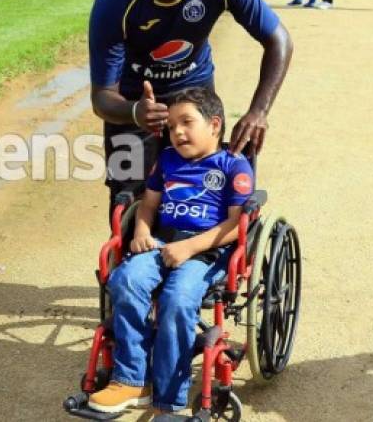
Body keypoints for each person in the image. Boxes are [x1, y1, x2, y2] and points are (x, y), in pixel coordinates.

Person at [87, 0, 292, 214]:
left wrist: (258, 112)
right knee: (128, 202)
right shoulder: (115, 2)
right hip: (134, 103)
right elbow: (102, 98)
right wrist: (134, 111)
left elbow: (279, 40)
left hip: (195, 97)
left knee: (203, 192)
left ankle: (199, 253)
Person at [87, 87, 255, 416]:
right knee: (126, 280)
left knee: (177, 300)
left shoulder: (234, 165)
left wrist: (189, 247)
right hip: (162, 243)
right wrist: (141, 230)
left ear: (215, 124)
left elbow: (237, 225)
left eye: (186, 122)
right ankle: (132, 380)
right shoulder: (166, 161)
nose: (177, 132)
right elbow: (148, 205)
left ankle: (169, 400)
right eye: (171, 126)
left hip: (207, 251)